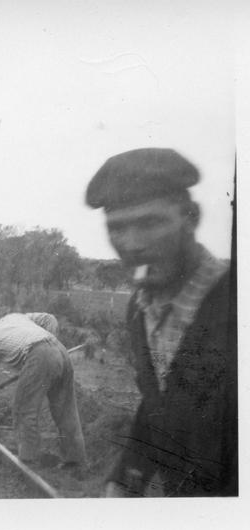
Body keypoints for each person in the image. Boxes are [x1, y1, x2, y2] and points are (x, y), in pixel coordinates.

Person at [86, 148, 236, 497]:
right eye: (117, 228)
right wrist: (126, 478)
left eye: (151, 222)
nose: (133, 244)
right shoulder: (138, 310)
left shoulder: (233, 304)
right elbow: (158, 404)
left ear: (192, 217)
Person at [0, 312, 86, 467]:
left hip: (40, 355)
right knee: (66, 411)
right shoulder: (14, 317)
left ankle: (28, 461)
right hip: (61, 350)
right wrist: (49, 344)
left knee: (23, 409)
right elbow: (49, 318)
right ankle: (75, 461)